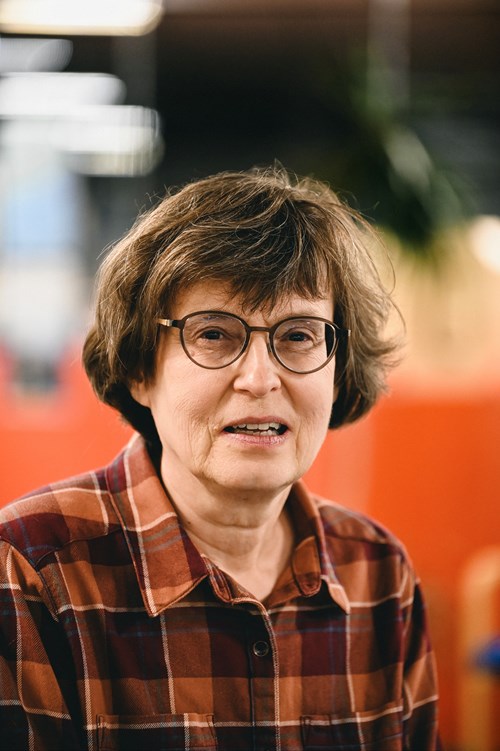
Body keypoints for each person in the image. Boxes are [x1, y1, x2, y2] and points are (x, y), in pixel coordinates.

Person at [0, 166, 440, 750]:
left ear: (338, 372)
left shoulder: (379, 574)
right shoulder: (33, 570)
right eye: (213, 334)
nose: (260, 379)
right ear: (139, 369)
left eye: (299, 335)